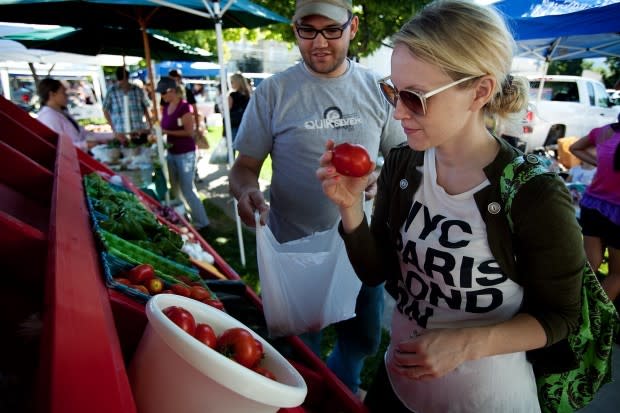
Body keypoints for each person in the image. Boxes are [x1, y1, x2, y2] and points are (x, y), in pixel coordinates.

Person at [316, 1, 584, 411]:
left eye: (416, 98)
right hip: (398, 386)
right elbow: (376, 272)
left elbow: (563, 316)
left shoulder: (535, 195)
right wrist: (351, 209)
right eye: (393, 91)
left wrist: (466, 344)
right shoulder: (404, 164)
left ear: (480, 91)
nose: (398, 111)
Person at [228, 0, 406, 395]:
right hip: (295, 249)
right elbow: (243, 169)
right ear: (294, 29)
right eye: (308, 30)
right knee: (297, 349)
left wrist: (381, 180)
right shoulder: (272, 92)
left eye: (331, 30)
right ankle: (303, 398)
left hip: (361, 246)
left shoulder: (378, 91)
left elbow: (401, 160)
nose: (319, 42)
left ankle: (342, 389)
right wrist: (247, 192)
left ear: (353, 27)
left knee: (361, 339)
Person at [570, 116, 620, 303]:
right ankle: (593, 320)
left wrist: (603, 163)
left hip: (593, 204)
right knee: (617, 275)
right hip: (617, 210)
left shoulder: (606, 132)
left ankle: (571, 309)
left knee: (589, 264)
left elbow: (574, 148)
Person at [156, 76, 210, 232]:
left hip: (185, 153)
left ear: (172, 90)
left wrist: (165, 132)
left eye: (164, 92)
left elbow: (189, 132)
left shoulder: (185, 107)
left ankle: (203, 222)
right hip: (171, 152)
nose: (163, 96)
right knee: (175, 188)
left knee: (187, 188)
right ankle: (184, 217)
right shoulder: (166, 107)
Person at [36, 77, 112, 152]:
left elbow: (84, 134)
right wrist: (85, 145)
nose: (66, 96)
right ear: (52, 94)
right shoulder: (48, 117)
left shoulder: (63, 113)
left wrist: (112, 136)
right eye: (63, 93)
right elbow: (57, 147)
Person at [102, 67, 152, 145]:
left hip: (139, 130)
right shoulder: (112, 91)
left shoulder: (137, 89)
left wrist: (150, 125)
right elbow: (105, 110)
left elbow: (145, 107)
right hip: (121, 132)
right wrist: (114, 129)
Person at [227, 72, 252, 142]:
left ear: (237, 82)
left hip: (234, 124)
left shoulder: (232, 95)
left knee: (231, 149)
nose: (231, 84)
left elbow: (227, 110)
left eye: (232, 82)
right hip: (245, 124)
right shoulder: (248, 95)